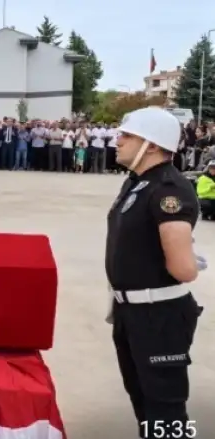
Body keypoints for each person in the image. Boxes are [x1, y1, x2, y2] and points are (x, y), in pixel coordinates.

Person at [105, 106, 204, 439]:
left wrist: (187, 257)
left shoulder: (168, 189)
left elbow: (183, 269)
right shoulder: (137, 182)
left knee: (165, 408)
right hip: (131, 312)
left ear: (152, 144)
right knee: (143, 400)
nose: (118, 140)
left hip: (159, 315)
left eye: (127, 135)